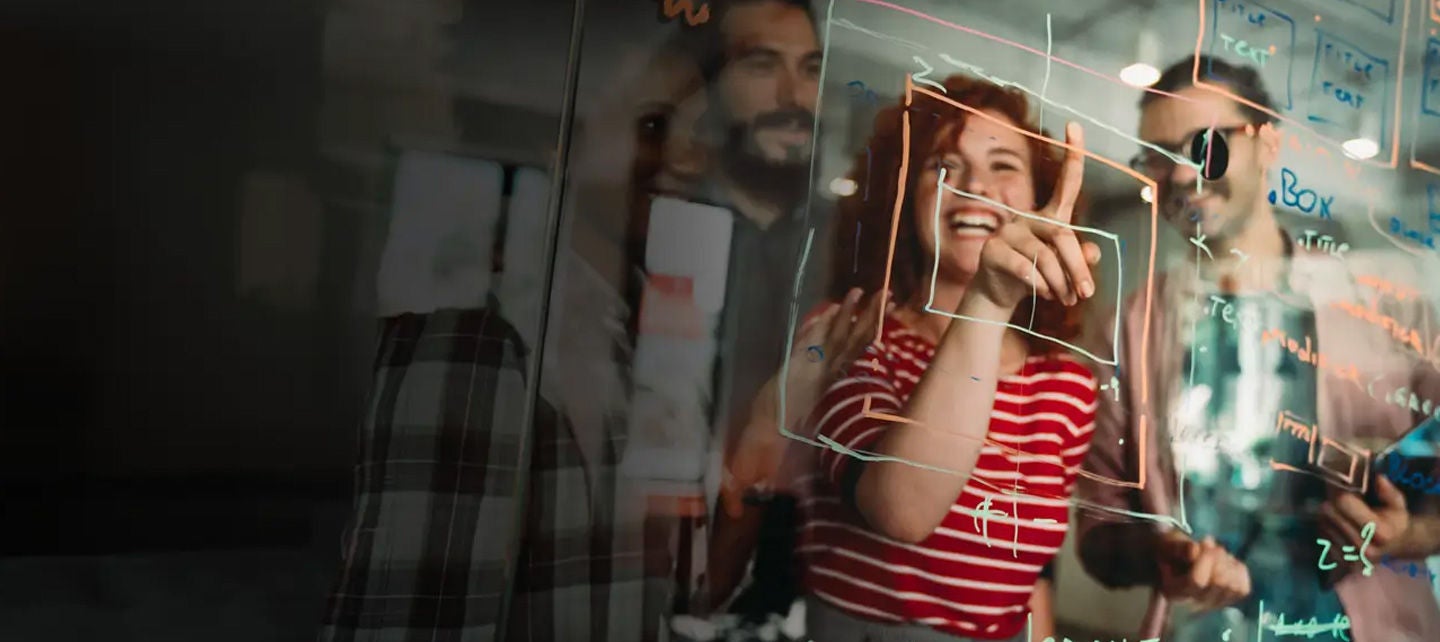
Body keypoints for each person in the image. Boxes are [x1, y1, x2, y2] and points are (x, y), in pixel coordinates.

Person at [1076, 55, 1440, 642]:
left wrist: (1408, 536)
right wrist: (1162, 556)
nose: (1183, 175)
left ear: (1268, 144)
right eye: (1157, 159)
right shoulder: (1131, 327)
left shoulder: (1385, 305)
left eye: (1206, 145)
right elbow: (1098, 528)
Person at [795, 73, 1100, 642]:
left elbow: (1029, 582)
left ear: (1039, 195)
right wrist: (987, 300)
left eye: (1004, 164)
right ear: (906, 197)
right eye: (943, 166)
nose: (975, 187)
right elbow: (900, 508)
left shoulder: (1066, 387)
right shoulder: (854, 334)